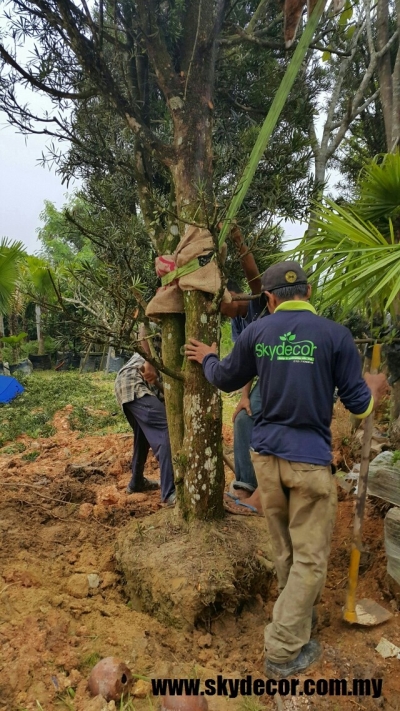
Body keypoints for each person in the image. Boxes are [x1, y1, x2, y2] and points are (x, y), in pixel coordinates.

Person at [184, 260, 387, 677]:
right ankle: (281, 650)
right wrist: (374, 389)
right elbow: (359, 406)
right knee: (311, 560)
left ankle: (299, 620)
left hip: (267, 461)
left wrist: (207, 358)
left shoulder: (258, 332)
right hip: (310, 464)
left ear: (271, 299)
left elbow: (223, 378)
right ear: (308, 293)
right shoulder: (335, 336)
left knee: (286, 550)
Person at [220, 227, 265, 515]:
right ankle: (246, 484)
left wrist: (239, 241)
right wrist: (244, 397)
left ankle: (260, 492)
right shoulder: (237, 324)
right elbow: (246, 361)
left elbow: (255, 279)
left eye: (220, 302)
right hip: (264, 377)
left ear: (233, 294)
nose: (219, 311)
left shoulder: (256, 304)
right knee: (243, 419)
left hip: (284, 372)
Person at [114, 324, 176, 506]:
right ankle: (169, 492)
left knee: (144, 435)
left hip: (126, 384)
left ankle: (136, 482)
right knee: (166, 429)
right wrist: (148, 361)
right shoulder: (166, 328)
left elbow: (165, 391)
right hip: (134, 381)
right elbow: (144, 327)